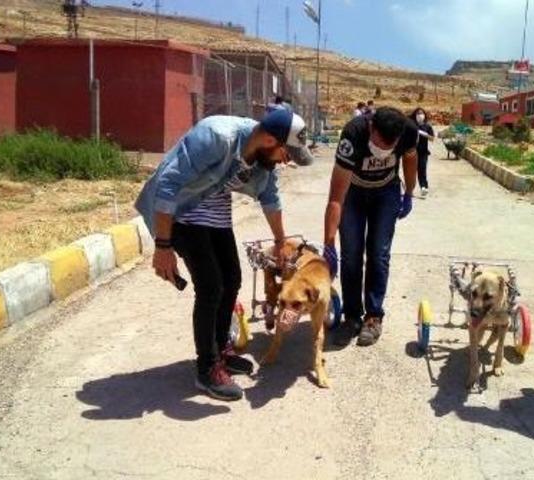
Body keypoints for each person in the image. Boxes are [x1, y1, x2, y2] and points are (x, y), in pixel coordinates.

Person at [135, 109, 307, 401]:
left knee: (232, 279)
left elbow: (270, 196)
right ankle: (206, 368)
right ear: (267, 139)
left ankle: (220, 351)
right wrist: (163, 246)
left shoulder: (262, 159)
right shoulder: (216, 136)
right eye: (285, 152)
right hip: (182, 214)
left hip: (215, 212)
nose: (286, 160)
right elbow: (168, 184)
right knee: (211, 286)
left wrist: (280, 241)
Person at [322, 107, 418, 347]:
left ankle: (373, 317)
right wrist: (329, 242)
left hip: (386, 192)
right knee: (351, 254)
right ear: (371, 126)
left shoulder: (408, 131)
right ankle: (352, 317)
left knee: (379, 253)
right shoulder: (353, 134)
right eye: (378, 144)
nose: (382, 151)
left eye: (388, 147)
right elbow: (335, 199)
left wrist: (409, 193)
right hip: (352, 192)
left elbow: (410, 157)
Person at [410, 107, 435, 196]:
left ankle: (424, 187)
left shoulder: (427, 126)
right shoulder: (412, 125)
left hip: (423, 152)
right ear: (415, 115)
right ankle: (410, 189)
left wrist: (424, 134)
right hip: (412, 152)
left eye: (421, 113)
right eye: (418, 114)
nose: (420, 115)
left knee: (422, 170)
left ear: (424, 115)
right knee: (412, 171)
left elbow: (432, 138)